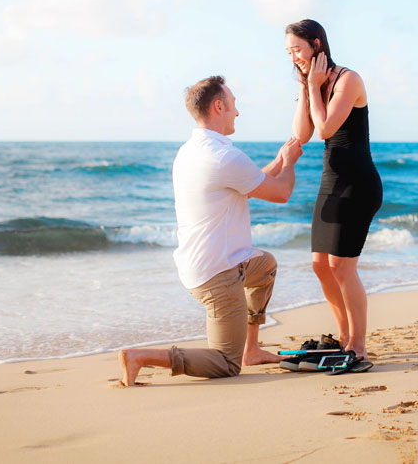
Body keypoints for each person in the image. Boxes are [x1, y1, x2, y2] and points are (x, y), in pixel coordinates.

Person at [116, 75, 303, 386]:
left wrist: (279, 161)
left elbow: (252, 183)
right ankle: (141, 357)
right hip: (219, 273)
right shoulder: (224, 156)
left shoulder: (191, 151)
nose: (237, 112)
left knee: (266, 265)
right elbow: (281, 192)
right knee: (225, 364)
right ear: (219, 106)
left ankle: (252, 349)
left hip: (208, 262)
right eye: (233, 105)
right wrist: (291, 163)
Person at [285, 19, 382, 361]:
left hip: (358, 183)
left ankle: (357, 343)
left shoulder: (348, 79)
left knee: (342, 267)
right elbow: (303, 133)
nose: (293, 56)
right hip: (331, 181)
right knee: (320, 266)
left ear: (316, 43)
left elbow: (325, 128)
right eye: (289, 52)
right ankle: (343, 336)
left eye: (297, 49)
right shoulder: (311, 81)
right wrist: (305, 86)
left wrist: (314, 88)